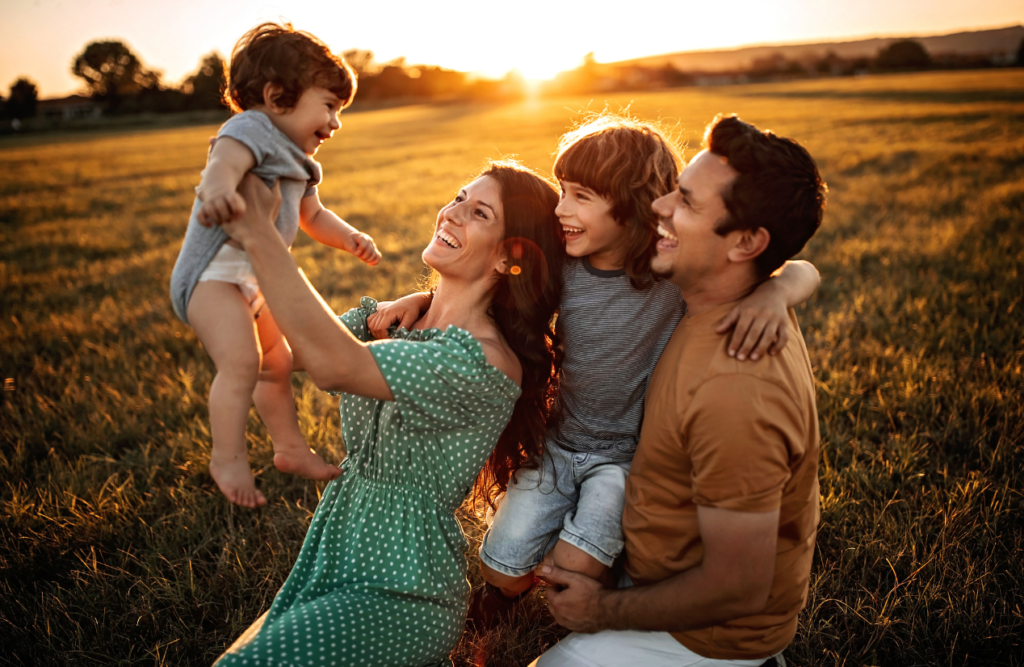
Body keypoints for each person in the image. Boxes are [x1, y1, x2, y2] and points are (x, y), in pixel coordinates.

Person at [371, 115, 821, 628]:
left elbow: (798, 267)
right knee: (501, 565)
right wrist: (422, 296)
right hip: (559, 443)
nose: (561, 209)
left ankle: (602, 590)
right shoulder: (564, 265)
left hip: (623, 460)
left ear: (631, 208)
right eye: (563, 191)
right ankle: (501, 599)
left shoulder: (666, 271)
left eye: (581, 195)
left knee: (575, 568)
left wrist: (776, 292)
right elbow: (497, 294)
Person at [212, 159, 564, 667]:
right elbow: (287, 353)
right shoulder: (397, 322)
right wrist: (242, 285)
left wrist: (262, 238)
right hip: (332, 558)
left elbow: (334, 365)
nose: (454, 211)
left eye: (480, 212)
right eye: (460, 195)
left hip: (403, 592)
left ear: (509, 257)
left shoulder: (482, 361)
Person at [532, 114, 827, 667]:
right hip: (644, 565)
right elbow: (800, 269)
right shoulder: (714, 298)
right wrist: (783, 285)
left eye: (686, 203)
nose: (660, 207)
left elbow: (737, 587)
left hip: (707, 636)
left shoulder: (737, 387)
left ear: (746, 242)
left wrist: (601, 612)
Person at [169, 23, 381, 508]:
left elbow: (313, 216)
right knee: (242, 362)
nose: (336, 122)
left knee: (277, 364)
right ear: (277, 95)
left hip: (254, 278)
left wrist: (349, 238)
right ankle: (227, 457)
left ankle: (290, 448)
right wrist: (220, 189)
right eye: (329, 106)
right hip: (211, 277)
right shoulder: (251, 129)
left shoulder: (304, 163)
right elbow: (222, 163)